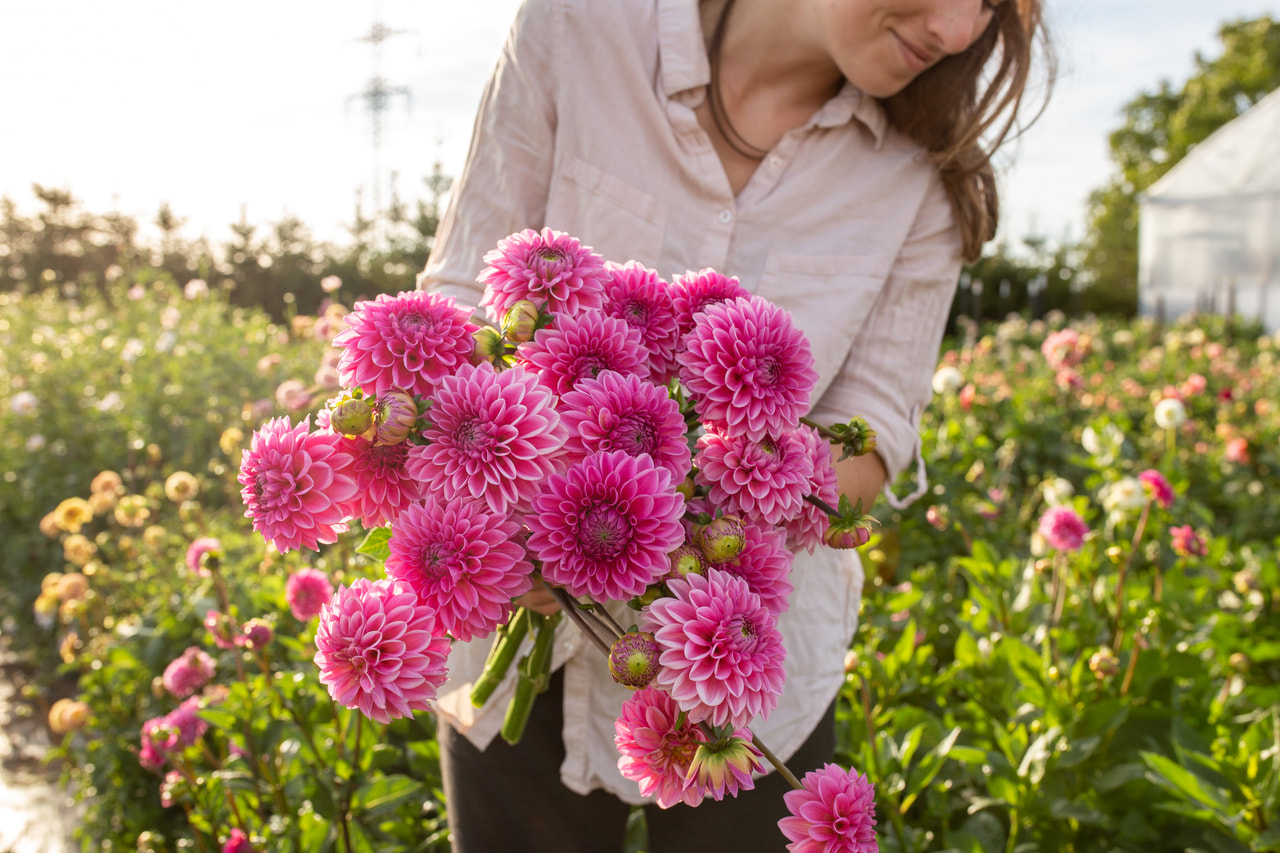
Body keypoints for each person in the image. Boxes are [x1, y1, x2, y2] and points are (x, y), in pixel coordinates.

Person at [418, 0, 1052, 850]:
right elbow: (460, 294)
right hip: (508, 632)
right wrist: (520, 510)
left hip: (745, 677)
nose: (960, 30)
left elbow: (875, 429)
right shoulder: (580, 26)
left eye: (991, 2)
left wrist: (683, 517)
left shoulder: (924, 177)